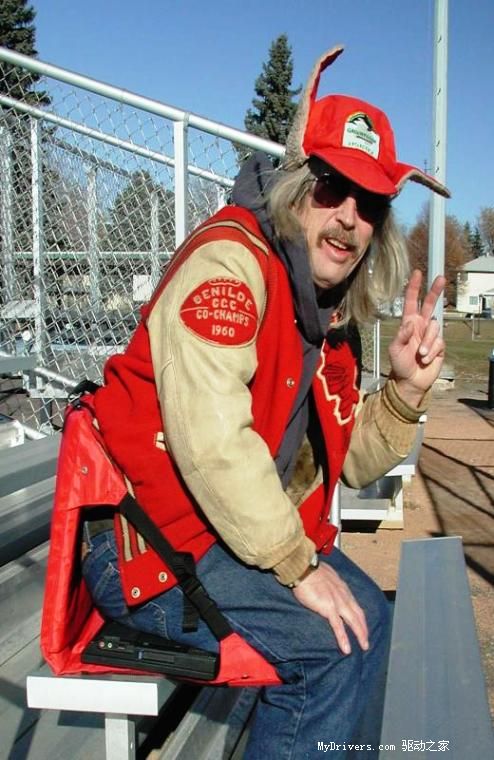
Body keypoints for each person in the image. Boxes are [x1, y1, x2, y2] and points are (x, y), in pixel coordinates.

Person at [81, 47, 449, 758]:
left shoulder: (328, 311)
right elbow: (213, 443)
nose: (348, 218)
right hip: (148, 545)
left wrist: (404, 392)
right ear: (296, 186)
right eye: (332, 188)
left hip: (220, 532)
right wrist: (298, 565)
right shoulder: (229, 265)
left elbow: (346, 462)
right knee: (330, 653)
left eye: (370, 203)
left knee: (370, 621)